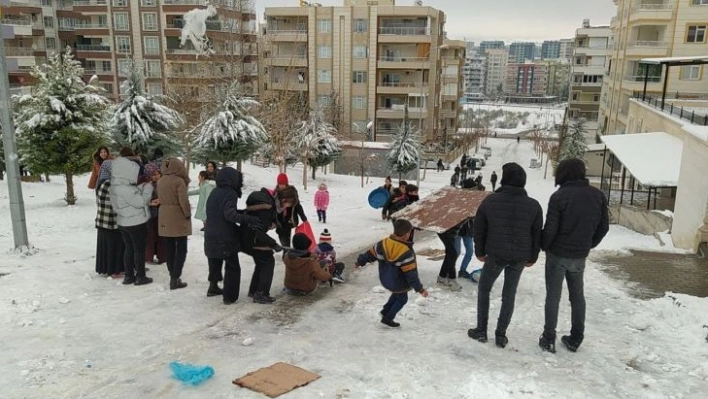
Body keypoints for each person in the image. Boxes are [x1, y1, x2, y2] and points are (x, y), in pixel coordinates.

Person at [468, 162, 543, 348]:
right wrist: (533, 256)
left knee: (484, 289)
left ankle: (481, 330)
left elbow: (479, 227)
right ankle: (501, 336)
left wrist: (479, 251)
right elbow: (537, 234)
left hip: (494, 254)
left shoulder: (490, 201)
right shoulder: (534, 205)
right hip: (519, 257)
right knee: (509, 295)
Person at [538, 158, 609, 354]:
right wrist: (588, 244)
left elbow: (551, 229)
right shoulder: (598, 196)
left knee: (553, 296)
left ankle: (548, 338)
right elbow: (604, 227)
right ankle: (576, 337)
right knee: (577, 297)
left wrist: (543, 245)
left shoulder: (559, 197)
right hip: (579, 256)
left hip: (557, 255)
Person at [355, 219, 429, 328]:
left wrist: (360, 262)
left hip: (386, 279)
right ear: (406, 235)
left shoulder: (383, 243)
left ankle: (385, 311)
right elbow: (411, 274)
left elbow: (369, 254)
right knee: (402, 299)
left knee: (397, 294)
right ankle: (388, 318)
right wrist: (420, 289)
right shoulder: (406, 253)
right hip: (400, 282)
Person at [204, 167, 262, 304]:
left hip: (210, 233)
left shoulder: (215, 191)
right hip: (224, 236)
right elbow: (229, 214)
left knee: (214, 259)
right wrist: (249, 219)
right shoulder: (230, 193)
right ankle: (229, 296)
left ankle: (213, 287)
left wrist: (242, 212)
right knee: (232, 266)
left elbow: (220, 210)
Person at [110, 149, 156, 286]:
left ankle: (129, 276)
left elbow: (130, 198)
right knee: (139, 250)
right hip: (135, 222)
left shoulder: (115, 186)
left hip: (123, 222)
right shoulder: (126, 188)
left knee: (129, 249)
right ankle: (140, 276)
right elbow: (140, 202)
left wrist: (140, 189)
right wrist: (148, 189)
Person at [157, 158, 192, 290]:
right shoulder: (179, 181)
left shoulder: (161, 181)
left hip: (164, 215)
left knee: (169, 248)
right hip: (178, 215)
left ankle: (172, 274)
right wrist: (187, 213)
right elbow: (183, 201)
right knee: (181, 248)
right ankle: (175, 277)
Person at [243, 188, 282, 304]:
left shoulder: (259, 200)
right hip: (254, 237)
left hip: (247, 237)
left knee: (261, 261)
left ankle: (254, 290)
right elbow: (258, 231)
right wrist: (273, 243)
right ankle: (261, 293)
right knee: (268, 261)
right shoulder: (267, 207)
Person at [94, 160, 124, 277]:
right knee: (114, 247)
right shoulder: (110, 184)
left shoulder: (101, 183)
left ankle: (105, 268)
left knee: (104, 247)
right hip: (112, 221)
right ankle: (114, 270)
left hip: (102, 221)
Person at [274, 173, 307, 247]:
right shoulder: (276, 193)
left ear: (286, 183)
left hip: (289, 218)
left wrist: (303, 217)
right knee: (280, 233)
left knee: (286, 235)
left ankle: (286, 251)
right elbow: (273, 206)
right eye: (280, 184)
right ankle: (285, 248)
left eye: (283, 184)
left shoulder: (291, 192)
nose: (281, 185)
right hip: (279, 218)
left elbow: (297, 205)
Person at [142, 162, 166, 265]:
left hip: (161, 214)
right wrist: (150, 203)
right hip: (149, 215)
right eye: (154, 174)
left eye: (158, 174)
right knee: (150, 236)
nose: (157, 176)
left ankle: (162, 256)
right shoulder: (146, 186)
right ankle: (148, 257)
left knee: (161, 236)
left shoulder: (162, 184)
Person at [437, 223, 462, 291]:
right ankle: (451, 279)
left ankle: (442, 277)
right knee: (453, 254)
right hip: (443, 230)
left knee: (450, 254)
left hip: (452, 232)